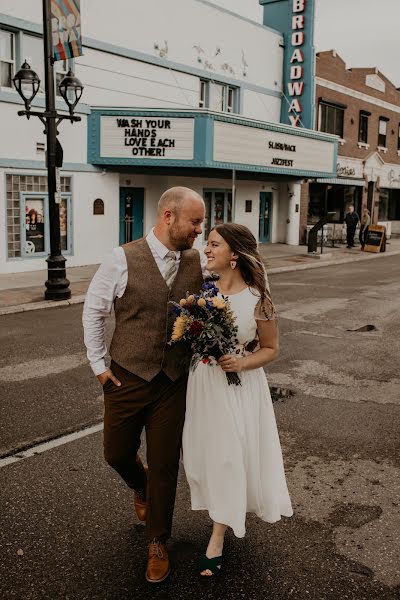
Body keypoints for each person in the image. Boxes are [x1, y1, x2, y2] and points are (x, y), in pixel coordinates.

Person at [82, 187, 207, 584]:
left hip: (173, 380)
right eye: (195, 221)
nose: (200, 230)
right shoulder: (121, 258)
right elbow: (94, 312)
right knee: (116, 453)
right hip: (127, 376)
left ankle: (158, 541)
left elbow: (218, 300)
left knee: (167, 463)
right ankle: (141, 485)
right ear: (168, 216)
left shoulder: (198, 260)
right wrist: (99, 366)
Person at [182, 223, 293, 577]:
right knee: (205, 454)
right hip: (203, 383)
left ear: (234, 255)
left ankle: (218, 534)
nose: (207, 249)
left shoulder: (259, 300)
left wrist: (241, 362)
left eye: (213, 244)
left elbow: (272, 349)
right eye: (206, 244)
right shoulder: (202, 291)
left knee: (230, 456)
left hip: (238, 386)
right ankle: (219, 506)